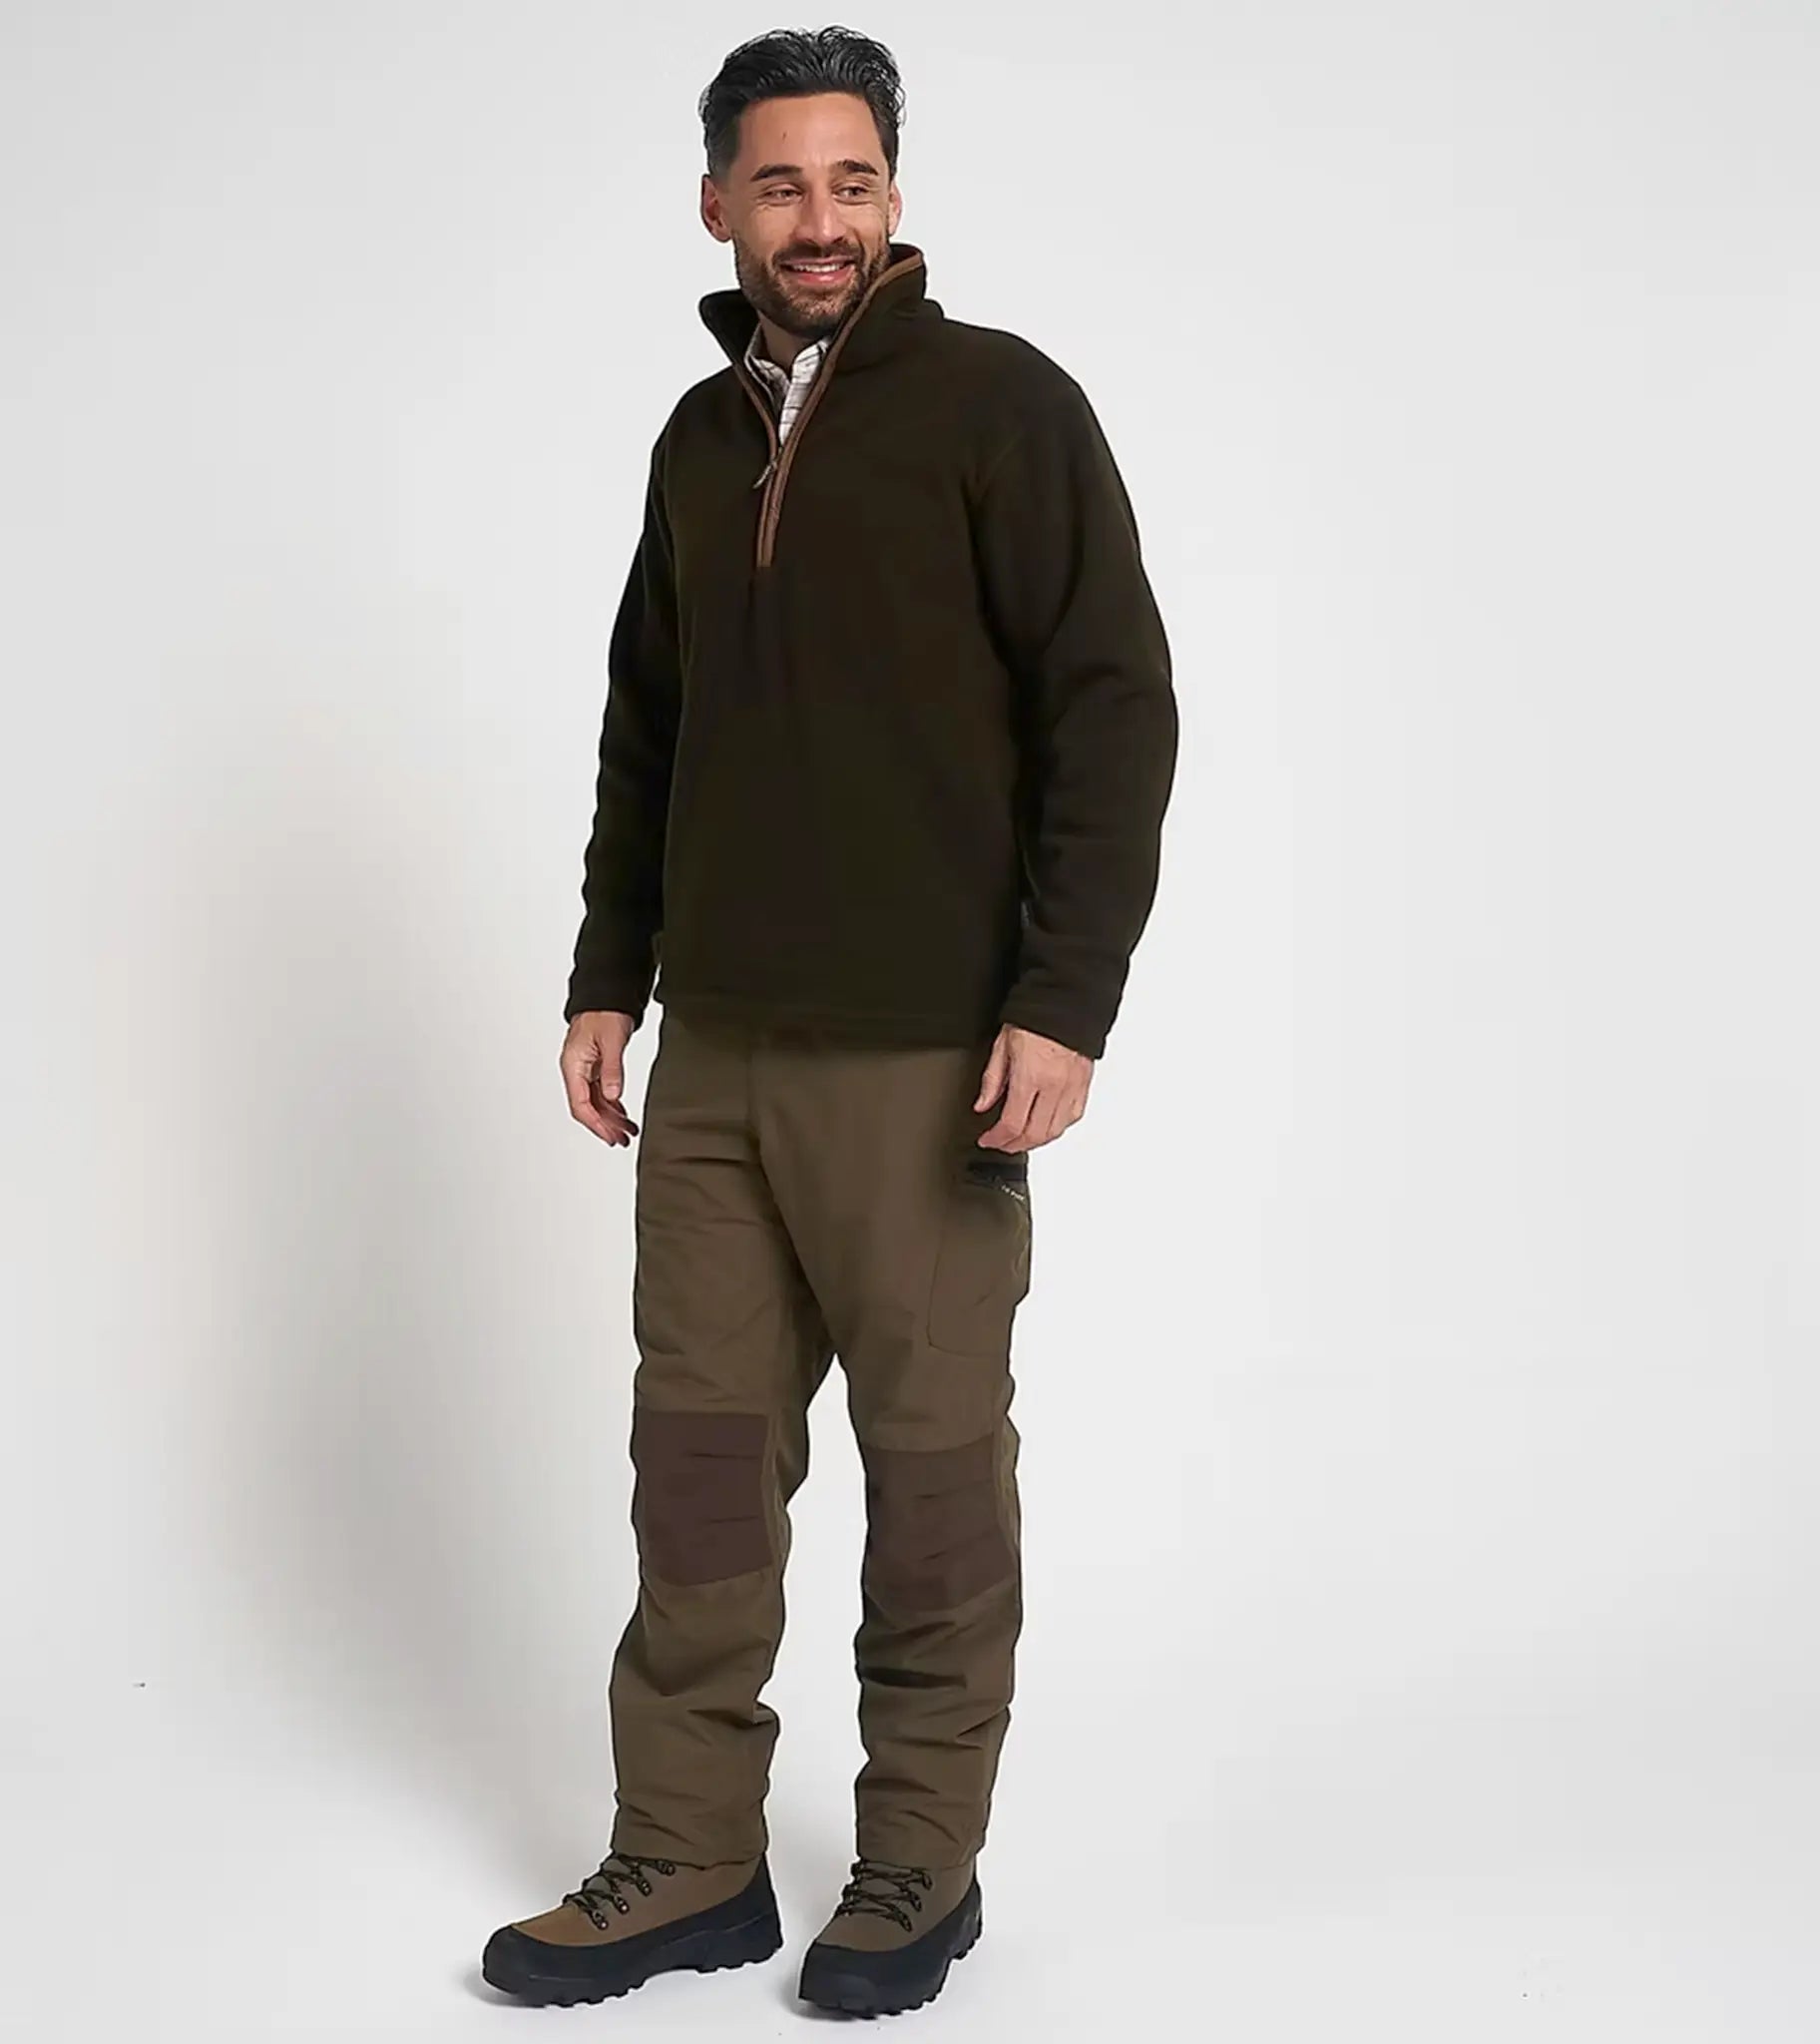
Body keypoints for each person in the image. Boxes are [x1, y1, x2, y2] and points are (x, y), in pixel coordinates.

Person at [481, 24, 1177, 2018]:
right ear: (717, 201)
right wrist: (609, 970)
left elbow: (1113, 709)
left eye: (852, 181)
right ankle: (688, 1854)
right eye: (780, 183)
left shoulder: (1000, 407)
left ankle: (916, 1863)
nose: (819, 219)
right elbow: (650, 724)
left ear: (894, 195)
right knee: (697, 1469)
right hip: (716, 1064)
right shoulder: (695, 446)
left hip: (928, 1062)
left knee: (932, 1477)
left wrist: (1063, 1000)